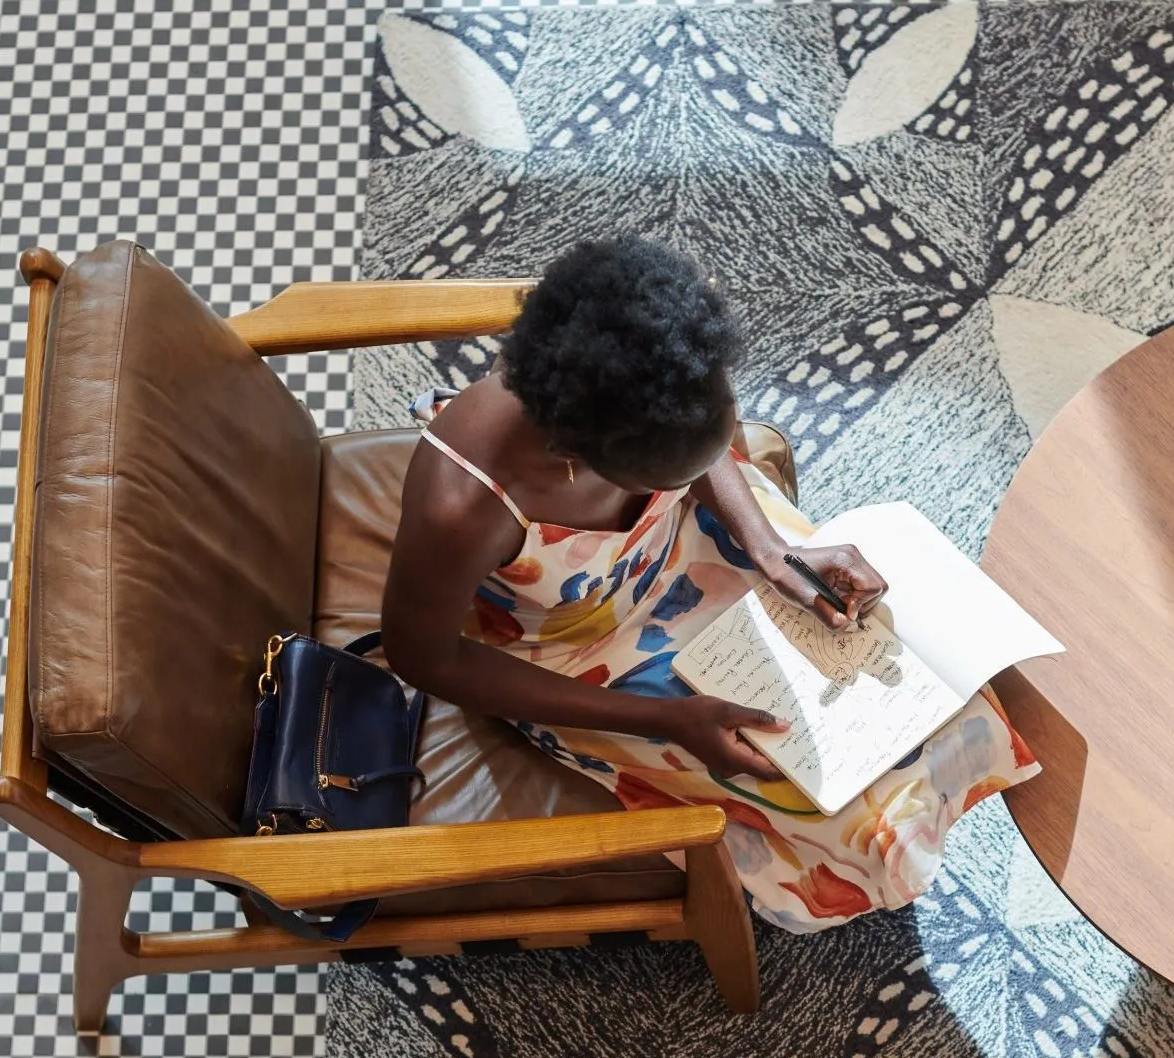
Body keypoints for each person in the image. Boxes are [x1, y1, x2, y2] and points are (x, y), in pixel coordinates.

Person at [380, 237, 1038, 932]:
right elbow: (424, 658)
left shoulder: (659, 379)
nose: (716, 451)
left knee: (928, 678)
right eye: (669, 478)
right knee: (844, 815)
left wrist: (771, 546)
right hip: (579, 648)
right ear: (580, 458)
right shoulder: (462, 508)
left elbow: (705, 449)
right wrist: (666, 721)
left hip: (695, 542)